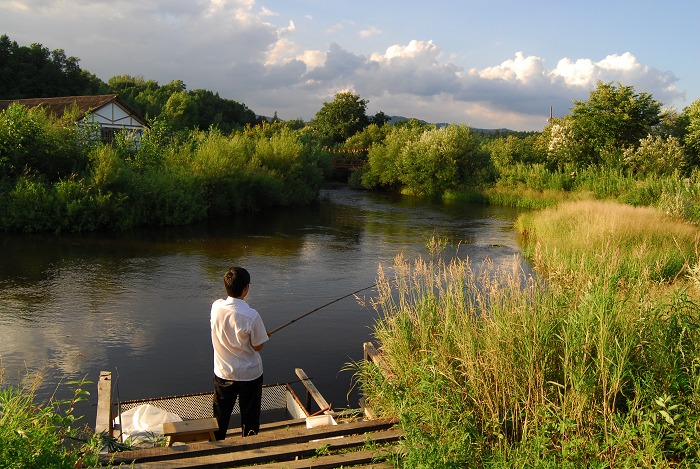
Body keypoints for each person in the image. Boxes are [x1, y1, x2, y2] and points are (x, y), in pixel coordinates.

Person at [211, 267, 269, 439]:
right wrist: (262, 337)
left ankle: (216, 447)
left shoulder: (216, 307)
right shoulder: (252, 316)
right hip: (249, 375)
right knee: (250, 417)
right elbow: (258, 346)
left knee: (220, 417)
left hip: (223, 373)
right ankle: (249, 449)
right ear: (246, 288)